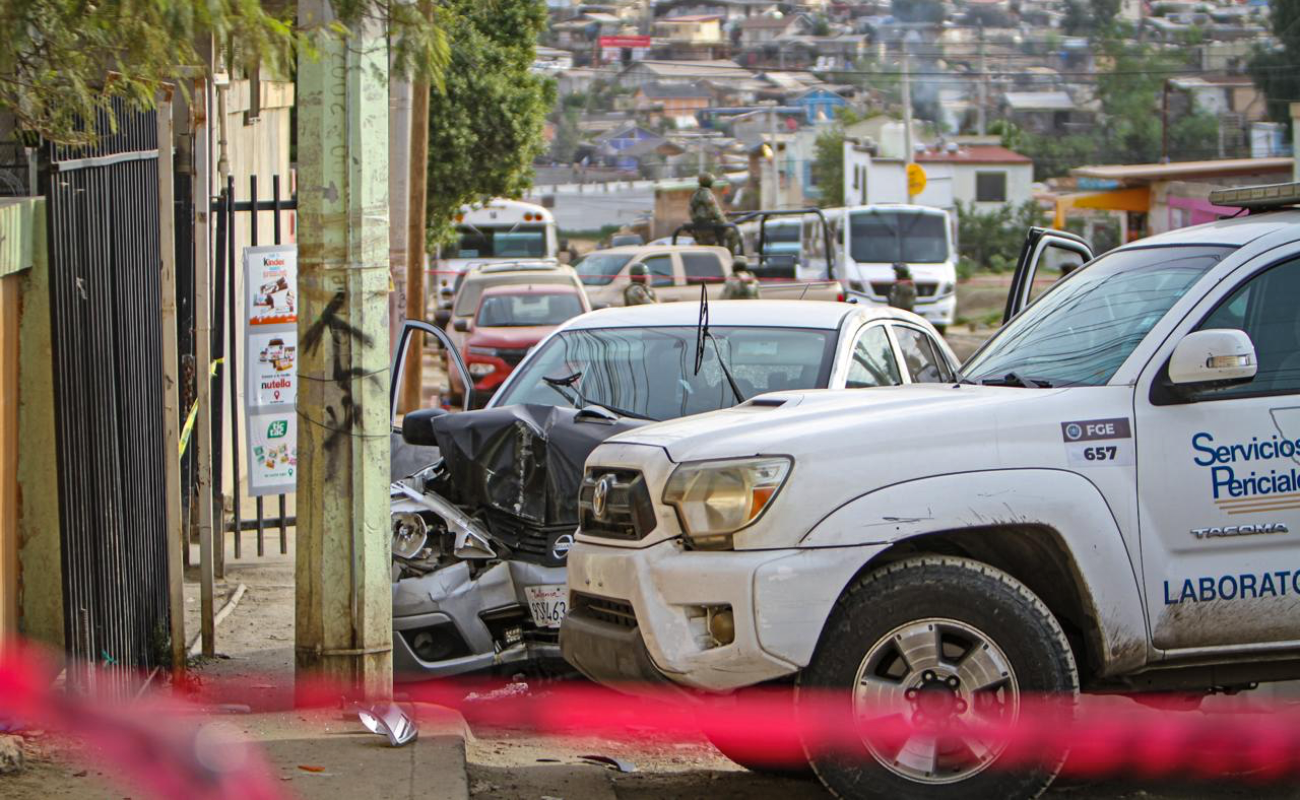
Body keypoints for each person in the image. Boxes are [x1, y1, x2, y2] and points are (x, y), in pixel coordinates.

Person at [689, 173, 741, 255]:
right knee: (733, 233)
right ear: (710, 183)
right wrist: (726, 225)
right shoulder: (707, 194)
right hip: (708, 227)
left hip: (699, 228)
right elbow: (716, 212)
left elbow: (692, 212)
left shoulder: (695, 195)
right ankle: (730, 257)